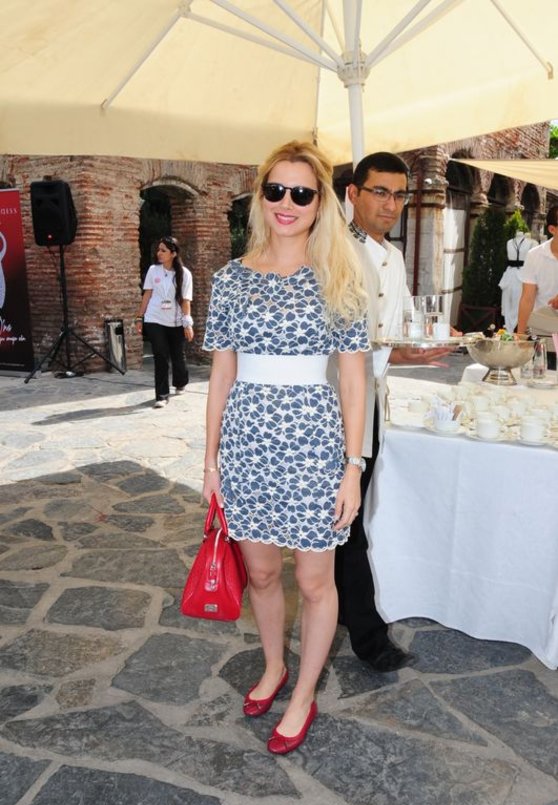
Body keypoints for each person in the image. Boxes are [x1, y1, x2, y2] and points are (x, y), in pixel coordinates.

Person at [202, 140, 368, 755]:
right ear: (261, 196)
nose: (287, 202)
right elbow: (222, 374)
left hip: (314, 446)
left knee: (316, 581)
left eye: (302, 192)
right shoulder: (229, 280)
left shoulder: (340, 278)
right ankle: (274, 666)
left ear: (320, 202)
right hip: (247, 444)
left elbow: (354, 381)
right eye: (276, 189)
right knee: (263, 573)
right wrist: (211, 461)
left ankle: (303, 694)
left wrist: (352, 467)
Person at [334, 152, 451, 673]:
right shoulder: (331, 250)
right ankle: (369, 637)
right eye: (379, 191)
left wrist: (420, 347)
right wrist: (396, 352)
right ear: (353, 193)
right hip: (334, 403)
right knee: (347, 518)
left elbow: (394, 334)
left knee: (352, 514)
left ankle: (340, 603)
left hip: (374, 400)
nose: (391, 204)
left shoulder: (395, 257)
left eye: (399, 194)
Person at [135, 236, 194, 407]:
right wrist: (140, 317)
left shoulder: (185, 274)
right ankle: (161, 396)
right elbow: (147, 294)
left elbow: (185, 300)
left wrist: (187, 323)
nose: (159, 253)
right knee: (160, 355)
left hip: (176, 320)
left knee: (178, 355)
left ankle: (180, 382)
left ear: (173, 253)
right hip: (154, 318)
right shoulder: (153, 270)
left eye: (163, 250)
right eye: (158, 250)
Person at [517, 206, 558, 370]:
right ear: (552, 229)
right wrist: (521, 335)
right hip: (543, 331)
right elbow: (527, 298)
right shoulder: (535, 255)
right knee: (542, 379)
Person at [498, 230, 536, 332]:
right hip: (510, 275)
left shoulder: (529, 242)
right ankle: (508, 327)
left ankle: (517, 327)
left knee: (520, 300)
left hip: (521, 275)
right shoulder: (509, 242)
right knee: (508, 300)